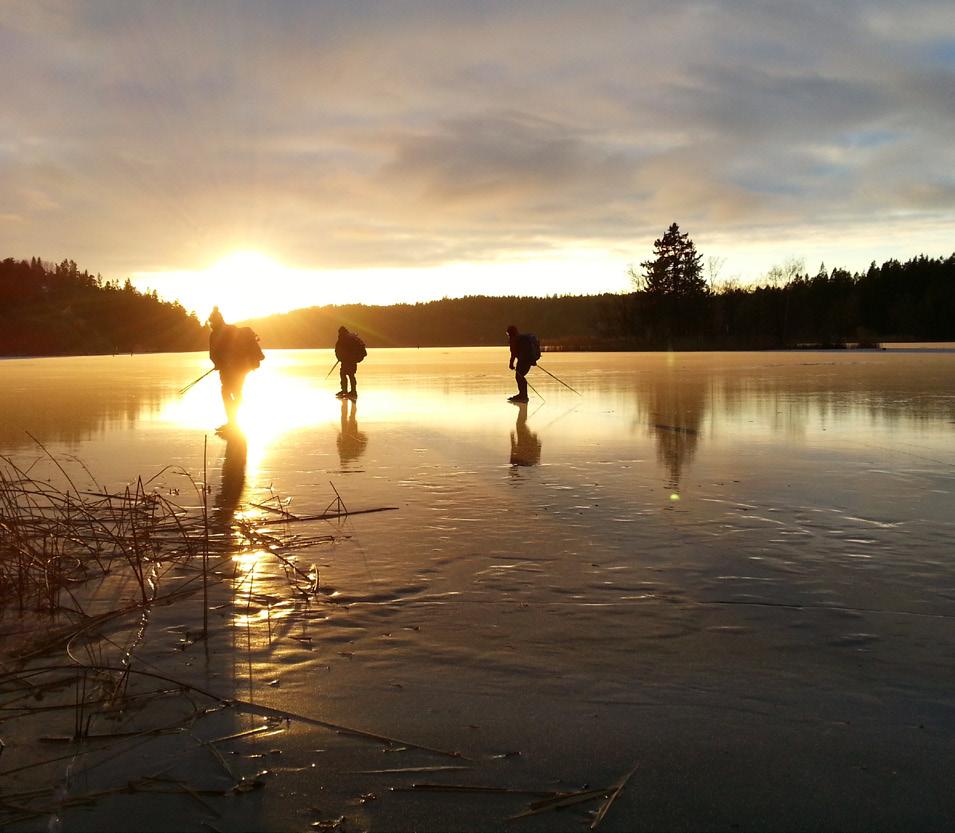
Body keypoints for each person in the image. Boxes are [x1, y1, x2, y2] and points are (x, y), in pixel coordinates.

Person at [208, 306, 264, 428]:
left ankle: (232, 421)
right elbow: (214, 355)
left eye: (211, 322)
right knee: (235, 392)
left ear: (216, 321)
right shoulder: (231, 329)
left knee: (228, 392)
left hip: (234, 370)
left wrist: (219, 363)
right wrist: (220, 363)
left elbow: (213, 354)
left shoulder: (215, 334)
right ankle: (233, 421)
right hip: (241, 369)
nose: (210, 324)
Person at [506, 324, 540, 403]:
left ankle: (523, 395)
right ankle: (523, 395)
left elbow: (513, 353)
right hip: (527, 360)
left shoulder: (514, 339)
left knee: (519, 376)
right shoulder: (521, 338)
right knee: (520, 376)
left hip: (523, 361)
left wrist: (511, 363)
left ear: (510, 333)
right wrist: (532, 359)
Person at [334, 325, 366, 400]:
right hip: (352, 360)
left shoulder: (342, 339)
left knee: (343, 374)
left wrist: (340, 357)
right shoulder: (351, 338)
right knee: (351, 375)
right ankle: (352, 391)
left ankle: (346, 390)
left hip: (347, 360)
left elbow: (338, 350)